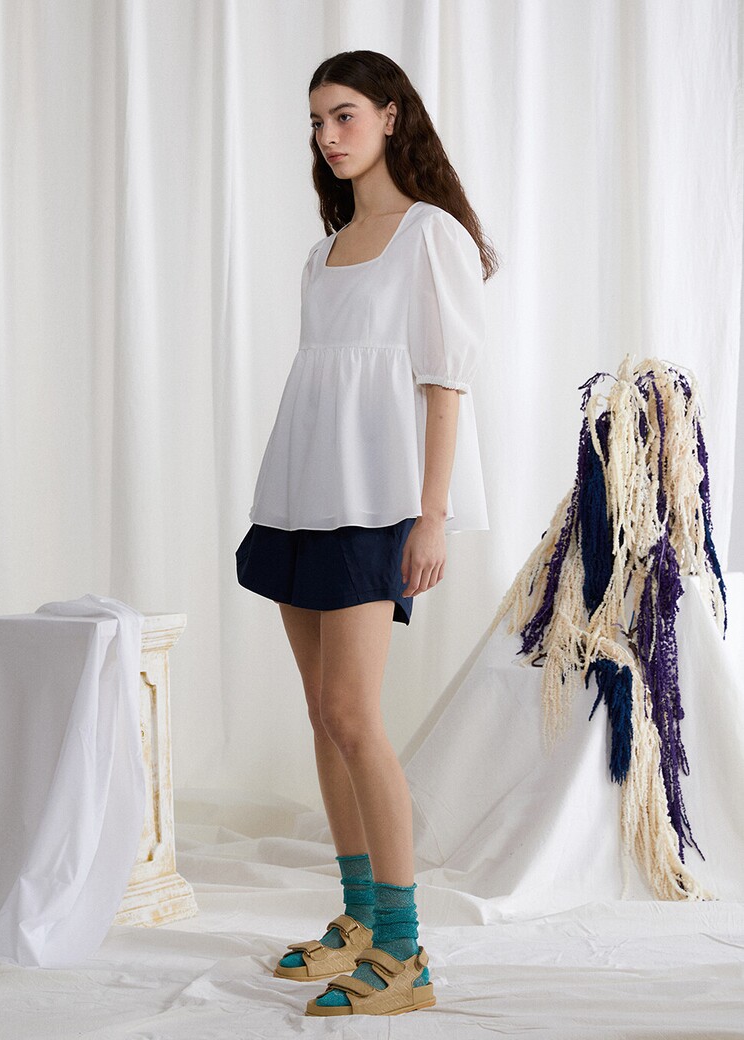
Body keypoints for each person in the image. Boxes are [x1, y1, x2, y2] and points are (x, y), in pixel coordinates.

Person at [235, 49, 499, 1017]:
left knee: (354, 714)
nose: (328, 136)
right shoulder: (327, 248)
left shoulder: (430, 234)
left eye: (344, 115)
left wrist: (432, 514)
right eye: (317, 122)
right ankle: (357, 918)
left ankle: (403, 951)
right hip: (301, 493)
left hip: (376, 501)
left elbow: (445, 382)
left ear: (392, 115)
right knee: (322, 713)